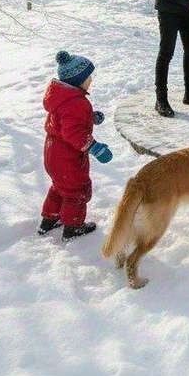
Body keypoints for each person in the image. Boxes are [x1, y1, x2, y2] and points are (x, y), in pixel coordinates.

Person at [39, 50, 113, 240]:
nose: (91, 80)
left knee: (59, 187)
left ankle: (49, 219)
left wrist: (90, 117)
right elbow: (73, 132)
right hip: (68, 158)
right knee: (76, 191)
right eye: (88, 77)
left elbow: (66, 120)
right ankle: (73, 227)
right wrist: (95, 148)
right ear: (78, 80)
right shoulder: (77, 103)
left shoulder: (62, 97)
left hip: (52, 153)